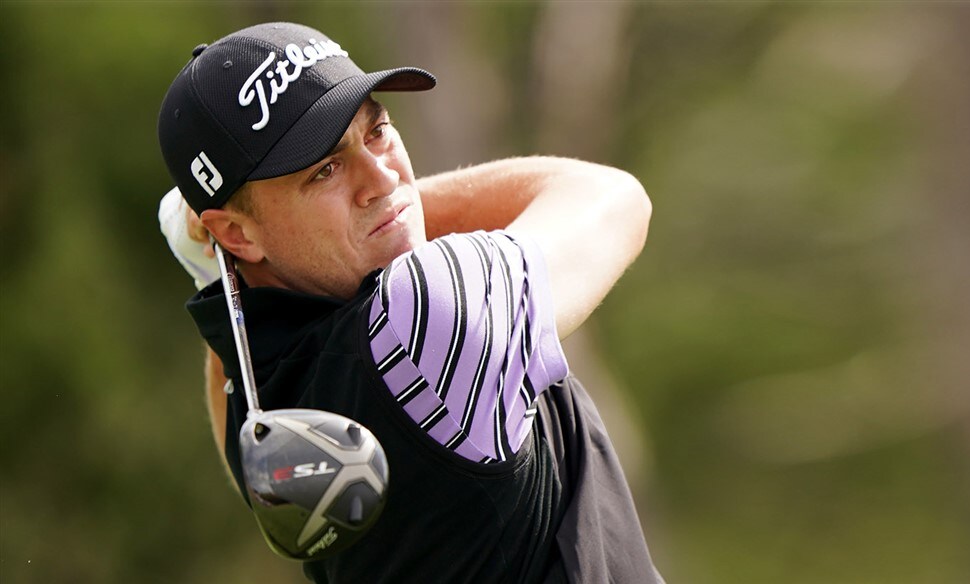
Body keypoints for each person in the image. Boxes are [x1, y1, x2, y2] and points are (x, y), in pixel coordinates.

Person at [157, 21, 660, 583]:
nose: (382, 175)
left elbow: (245, 419)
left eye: (377, 131)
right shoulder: (422, 312)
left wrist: (221, 271)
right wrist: (398, 204)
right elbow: (613, 197)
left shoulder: (266, 398)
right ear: (236, 233)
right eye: (325, 169)